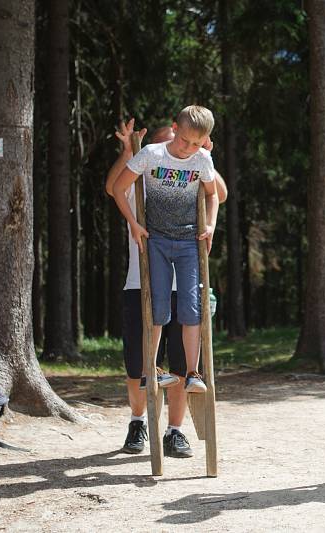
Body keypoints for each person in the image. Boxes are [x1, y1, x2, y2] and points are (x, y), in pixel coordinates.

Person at [107, 106, 222, 457]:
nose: (184, 150)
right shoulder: (146, 168)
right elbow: (114, 186)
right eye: (178, 142)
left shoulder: (198, 161)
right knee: (136, 360)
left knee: (181, 352)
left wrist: (206, 156)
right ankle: (138, 422)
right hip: (140, 278)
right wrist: (130, 149)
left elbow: (218, 193)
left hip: (186, 264)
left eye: (193, 144)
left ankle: (175, 430)